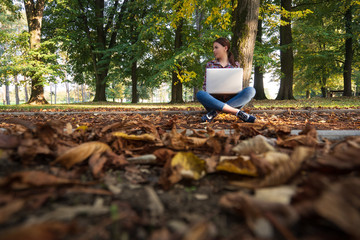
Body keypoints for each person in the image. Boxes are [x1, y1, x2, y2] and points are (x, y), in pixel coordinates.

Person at [196, 37, 256, 123]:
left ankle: (215, 112)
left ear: (225, 48)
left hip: (233, 101)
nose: (214, 50)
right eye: (213, 48)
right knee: (200, 94)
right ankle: (237, 112)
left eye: (216, 47)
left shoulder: (235, 65)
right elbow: (205, 87)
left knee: (251, 90)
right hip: (213, 102)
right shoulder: (210, 64)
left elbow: (239, 87)